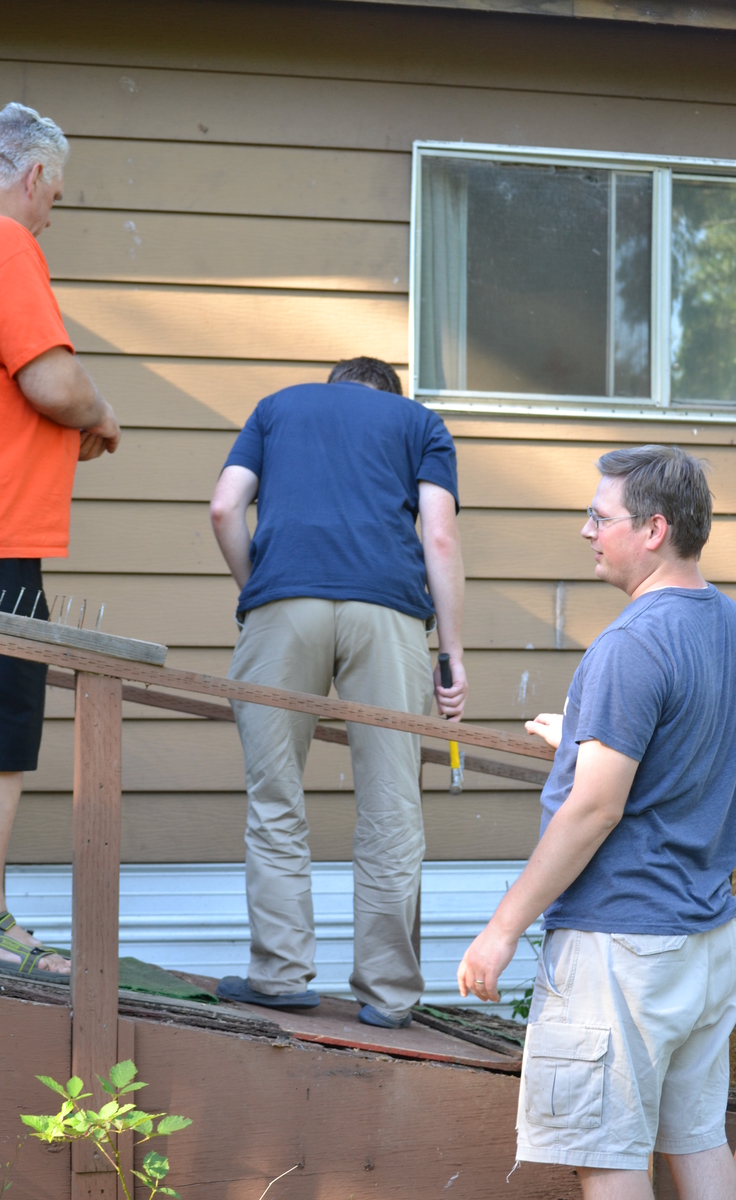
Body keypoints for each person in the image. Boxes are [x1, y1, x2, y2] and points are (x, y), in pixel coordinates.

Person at [457, 446, 736, 1200]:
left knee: (608, 1155)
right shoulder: (725, 625)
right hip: (705, 939)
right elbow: (691, 743)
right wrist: (584, 736)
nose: (586, 530)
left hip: (623, 949)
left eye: (598, 516)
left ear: (653, 530)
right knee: (699, 1139)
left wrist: (503, 926)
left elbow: (596, 806)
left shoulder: (631, 644)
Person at [210, 356, 467, 1028]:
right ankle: (387, 995)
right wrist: (452, 653)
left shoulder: (277, 407)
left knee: (275, 798)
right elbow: (438, 535)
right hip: (388, 613)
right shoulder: (421, 422)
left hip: (282, 604)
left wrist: (260, 591)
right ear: (390, 395)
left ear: (334, 388)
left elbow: (224, 508)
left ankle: (279, 974)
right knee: (391, 803)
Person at [0, 103, 120, 980]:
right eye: (57, 195)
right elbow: (50, 379)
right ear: (34, 175)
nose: (51, 212)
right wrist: (100, 411)